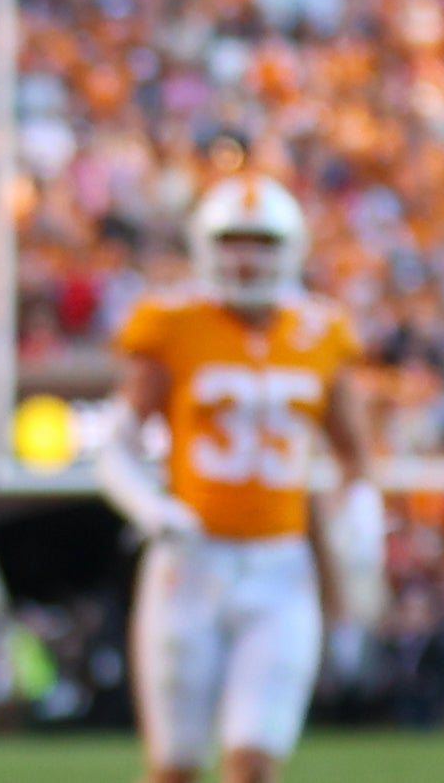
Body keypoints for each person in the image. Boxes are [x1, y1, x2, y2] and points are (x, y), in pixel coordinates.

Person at [98, 176, 381, 783]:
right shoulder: (173, 324)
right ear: (205, 246)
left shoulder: (322, 331)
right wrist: (151, 509)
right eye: (231, 242)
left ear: (291, 249)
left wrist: (358, 513)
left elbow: (354, 453)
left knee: (253, 766)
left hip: (281, 570)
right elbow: (112, 448)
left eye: (260, 243)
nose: (245, 258)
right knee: (174, 769)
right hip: (190, 565)